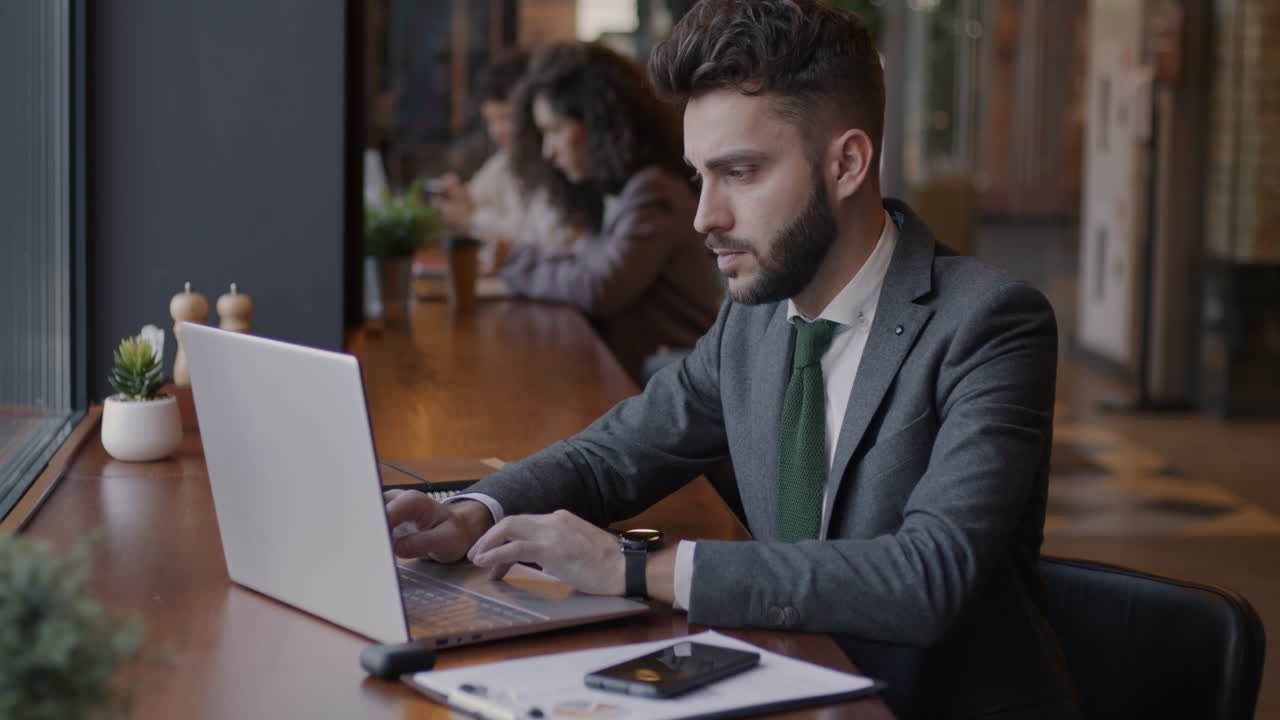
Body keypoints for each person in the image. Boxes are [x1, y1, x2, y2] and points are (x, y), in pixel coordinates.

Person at [385, 2, 1080, 718]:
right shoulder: (752, 318)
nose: (704, 216)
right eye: (699, 177)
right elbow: (613, 453)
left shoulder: (991, 324)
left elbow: (925, 576)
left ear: (846, 163)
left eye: (739, 173)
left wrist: (633, 568)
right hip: (789, 686)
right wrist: (471, 512)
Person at [496, 42, 723, 382]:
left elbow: (601, 289)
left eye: (555, 130)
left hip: (677, 383)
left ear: (599, 123)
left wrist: (512, 260)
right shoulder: (613, 193)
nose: (548, 151)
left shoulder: (654, 190)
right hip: (640, 374)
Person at [432, 52, 577, 260]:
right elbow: (472, 202)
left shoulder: (561, 164)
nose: (496, 132)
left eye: (506, 119)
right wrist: (456, 198)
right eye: (491, 121)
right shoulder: (502, 164)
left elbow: (548, 243)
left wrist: (472, 218)